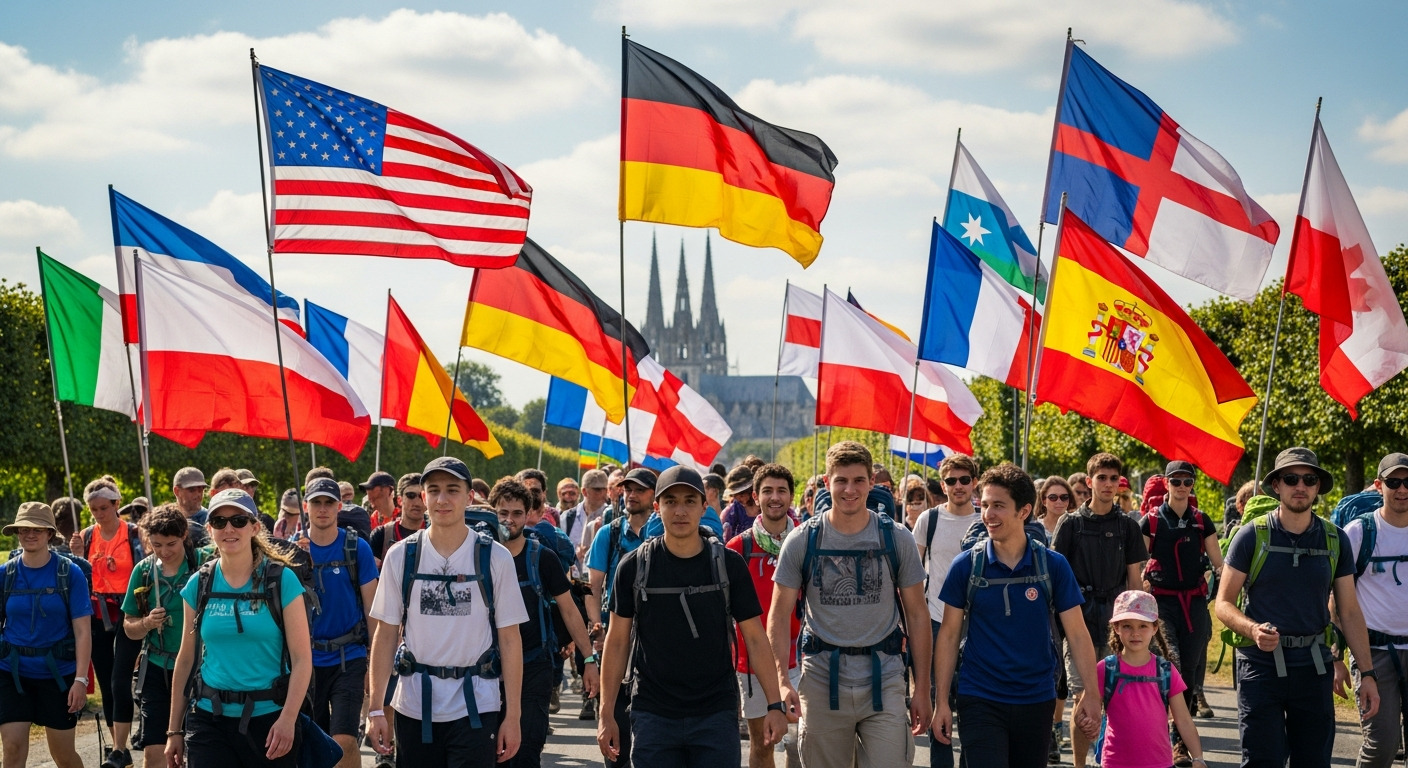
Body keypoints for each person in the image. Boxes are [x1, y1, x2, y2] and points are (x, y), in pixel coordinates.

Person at [598, 466, 787, 768]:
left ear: (704, 506)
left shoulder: (728, 565)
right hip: (652, 713)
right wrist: (606, 713)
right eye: (671, 501)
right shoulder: (633, 567)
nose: (680, 510)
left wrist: (774, 704)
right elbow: (617, 641)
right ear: (657, 508)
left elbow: (754, 637)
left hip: (715, 713)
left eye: (689, 500)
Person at [1215, 447, 1380, 767]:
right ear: (1276, 485)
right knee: (1263, 760)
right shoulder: (1252, 535)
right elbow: (1223, 602)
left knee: (1314, 761)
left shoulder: (1335, 539)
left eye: (1309, 479)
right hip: (1260, 667)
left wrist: (1368, 674)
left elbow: (1349, 611)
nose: (1300, 485)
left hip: (1313, 667)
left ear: (1318, 486)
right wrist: (1252, 629)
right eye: (1291, 478)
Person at [769, 441, 931, 768]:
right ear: (827, 483)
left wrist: (922, 689)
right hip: (821, 677)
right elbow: (778, 615)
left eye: (858, 480)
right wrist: (782, 681)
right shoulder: (803, 539)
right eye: (841, 480)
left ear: (872, 482)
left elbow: (917, 615)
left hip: (884, 674)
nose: (850, 489)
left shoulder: (896, 538)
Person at [930, 462, 1098, 768]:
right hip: (979, 696)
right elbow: (950, 634)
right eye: (985, 505)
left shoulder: (1053, 566)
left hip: (1036, 697)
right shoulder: (966, 565)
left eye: (998, 506)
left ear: (1024, 511)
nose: (987, 515)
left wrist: (1091, 693)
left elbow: (1076, 633)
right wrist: (941, 700)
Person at [367, 457, 528, 766]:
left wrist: (514, 715)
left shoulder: (495, 557)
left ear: (469, 496)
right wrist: (376, 708)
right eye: (434, 490)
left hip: (477, 705)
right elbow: (385, 634)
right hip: (414, 704)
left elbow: (510, 639)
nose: (442, 499)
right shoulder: (401, 556)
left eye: (452, 490)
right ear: (422, 496)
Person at [166, 489, 313, 768]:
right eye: (219, 522)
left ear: (255, 527)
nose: (229, 528)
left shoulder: (281, 581)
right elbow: (185, 660)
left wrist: (288, 719)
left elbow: (303, 659)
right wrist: (174, 730)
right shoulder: (199, 584)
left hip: (270, 720)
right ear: (210, 530)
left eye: (239, 520)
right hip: (210, 718)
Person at [492, 477, 599, 768]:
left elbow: (569, 610)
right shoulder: (480, 556)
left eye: (516, 513)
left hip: (534, 666)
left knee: (526, 751)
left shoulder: (543, 558)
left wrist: (588, 658)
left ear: (528, 515)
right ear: (493, 513)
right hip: (487, 672)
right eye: (503, 513)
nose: (509, 520)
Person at [1051, 453, 1147, 768]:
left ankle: (1111, 760)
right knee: (1084, 700)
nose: (1107, 484)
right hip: (1077, 623)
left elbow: (1134, 581)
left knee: (1119, 702)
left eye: (1113, 478)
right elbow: (1055, 579)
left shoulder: (1127, 527)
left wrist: (1138, 626)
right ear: (1089, 481)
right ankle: (1080, 765)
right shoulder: (1071, 524)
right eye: (1101, 478)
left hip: (1116, 625)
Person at [1138, 460, 1222, 765]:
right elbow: (1135, 564)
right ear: (1167, 484)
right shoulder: (1151, 522)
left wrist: (1227, 587)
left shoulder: (1202, 521)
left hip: (1194, 604)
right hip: (1160, 605)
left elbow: (1218, 563)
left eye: (1188, 481)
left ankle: (1179, 741)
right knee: (1169, 663)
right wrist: (1135, 601)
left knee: (1187, 673)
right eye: (1176, 481)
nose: (1182, 487)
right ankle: (1160, 733)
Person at [0, 502, 92, 768]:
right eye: (24, 529)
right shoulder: (6, 575)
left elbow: (83, 630)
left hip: (58, 676)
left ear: (50, 533)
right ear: (16, 532)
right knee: (13, 749)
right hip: (11, 672)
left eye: (38, 529)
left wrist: (81, 679)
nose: (30, 534)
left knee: (63, 756)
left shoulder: (69, 573)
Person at [297, 477, 379, 768]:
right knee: (314, 743)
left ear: (339, 506)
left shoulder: (357, 549)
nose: (322, 509)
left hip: (349, 656)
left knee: (343, 740)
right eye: (316, 502)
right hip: (307, 661)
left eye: (328, 502)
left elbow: (372, 609)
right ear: (305, 506)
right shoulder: (291, 553)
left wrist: (374, 663)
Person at [726, 463, 802, 768]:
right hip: (752, 663)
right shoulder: (737, 548)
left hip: (801, 658)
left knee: (801, 743)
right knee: (763, 743)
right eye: (767, 491)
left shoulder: (806, 543)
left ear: (791, 497)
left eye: (781, 490)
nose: (774, 497)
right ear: (755, 497)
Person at [1086, 590, 1206, 768]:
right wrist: (1087, 721)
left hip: (1160, 763)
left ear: (1154, 628)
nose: (1136, 633)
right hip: (1115, 762)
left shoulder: (1166, 671)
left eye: (1143, 625)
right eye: (1127, 626)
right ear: (1117, 628)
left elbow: (1183, 719)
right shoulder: (1105, 669)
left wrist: (1197, 758)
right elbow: (1089, 710)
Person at [914, 454, 981, 768]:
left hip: (977, 624)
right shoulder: (929, 519)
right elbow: (913, 574)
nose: (958, 486)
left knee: (971, 702)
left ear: (974, 483)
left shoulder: (985, 520)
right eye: (951, 481)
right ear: (943, 485)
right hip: (935, 621)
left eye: (964, 479)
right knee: (935, 700)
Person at [72, 476, 144, 768]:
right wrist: (76, 556)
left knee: (119, 680)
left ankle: (117, 749)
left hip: (128, 611)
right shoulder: (87, 536)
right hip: (97, 612)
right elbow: (80, 576)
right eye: (93, 510)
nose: (99, 514)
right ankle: (120, 748)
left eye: (103, 508)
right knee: (105, 681)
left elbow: (144, 568)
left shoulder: (134, 533)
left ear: (116, 504)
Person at [584, 467, 656, 750]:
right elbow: (592, 587)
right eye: (628, 489)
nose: (632, 495)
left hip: (653, 634)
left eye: (639, 490)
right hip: (616, 631)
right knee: (615, 713)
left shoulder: (665, 532)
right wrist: (596, 626)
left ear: (655, 495)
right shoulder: (608, 534)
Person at [1345, 452, 1408, 768]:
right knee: (1381, 746)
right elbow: (1337, 598)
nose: (1402, 489)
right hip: (1374, 652)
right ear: (1378, 485)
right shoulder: (1359, 532)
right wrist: (1334, 654)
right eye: (1394, 482)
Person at [121, 505, 195, 768]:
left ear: (184, 534)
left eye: (171, 544)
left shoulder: (203, 566)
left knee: (193, 752)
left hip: (197, 671)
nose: (163, 551)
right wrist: (147, 623)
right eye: (156, 544)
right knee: (154, 753)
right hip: (155, 667)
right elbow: (129, 627)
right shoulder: (143, 570)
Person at [1036, 474, 1075, 760]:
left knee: (1062, 673)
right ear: (1043, 500)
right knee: (1047, 667)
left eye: (1064, 497)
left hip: (1067, 604)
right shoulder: (1033, 528)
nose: (1059, 502)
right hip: (1038, 606)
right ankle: (1047, 729)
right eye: (1053, 497)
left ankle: (1056, 723)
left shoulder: (1074, 525)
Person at [370, 473, 426, 565]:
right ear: (400, 500)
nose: (417, 503)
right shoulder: (381, 535)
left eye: (421, 496)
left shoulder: (436, 533)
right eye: (410, 496)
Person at [564, 469, 610, 579]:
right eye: (598, 490)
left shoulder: (611, 516)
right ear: (584, 491)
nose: (603, 494)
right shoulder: (567, 517)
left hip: (600, 582)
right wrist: (575, 557)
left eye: (605, 489)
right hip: (572, 584)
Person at [172, 466, 212, 547]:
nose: (198, 494)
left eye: (201, 489)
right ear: (177, 491)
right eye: (192, 490)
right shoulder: (167, 520)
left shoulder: (212, 519)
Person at [721, 465, 758, 541]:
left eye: (741, 494)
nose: (738, 498)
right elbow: (726, 541)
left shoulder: (764, 507)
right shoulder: (731, 512)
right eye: (735, 495)